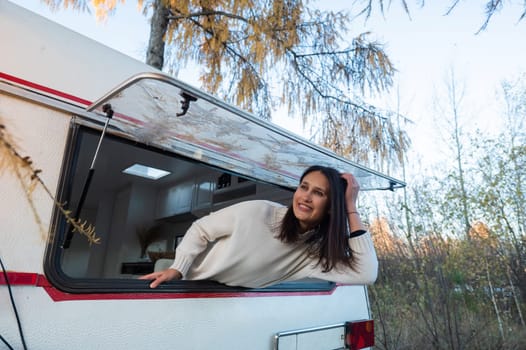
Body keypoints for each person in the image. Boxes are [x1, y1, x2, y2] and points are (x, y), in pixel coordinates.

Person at [139, 165, 378, 288]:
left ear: (329, 207)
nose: (305, 196)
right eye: (303, 187)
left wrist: (350, 206)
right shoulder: (259, 211)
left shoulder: (313, 255)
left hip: (228, 302)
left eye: (318, 193)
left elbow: (366, 273)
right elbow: (201, 229)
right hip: (187, 286)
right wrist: (177, 268)